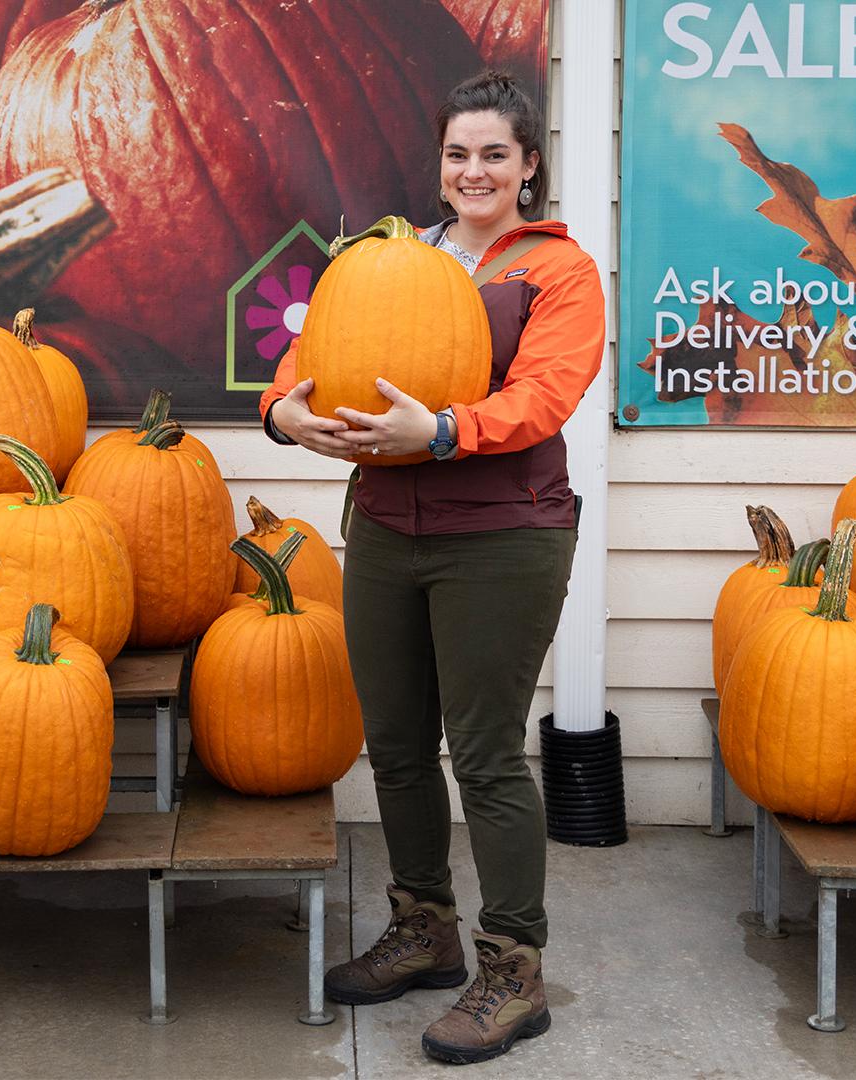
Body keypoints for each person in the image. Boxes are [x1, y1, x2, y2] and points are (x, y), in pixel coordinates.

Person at [259, 69, 605, 1066]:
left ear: (529, 165)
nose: (474, 171)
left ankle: (515, 968)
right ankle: (425, 930)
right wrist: (284, 415)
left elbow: (545, 397)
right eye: (458, 153)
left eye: (495, 153)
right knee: (399, 745)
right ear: (440, 164)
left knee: (486, 753)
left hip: (502, 535)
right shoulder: (392, 257)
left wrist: (444, 428)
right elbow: (307, 361)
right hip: (384, 529)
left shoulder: (559, 272)